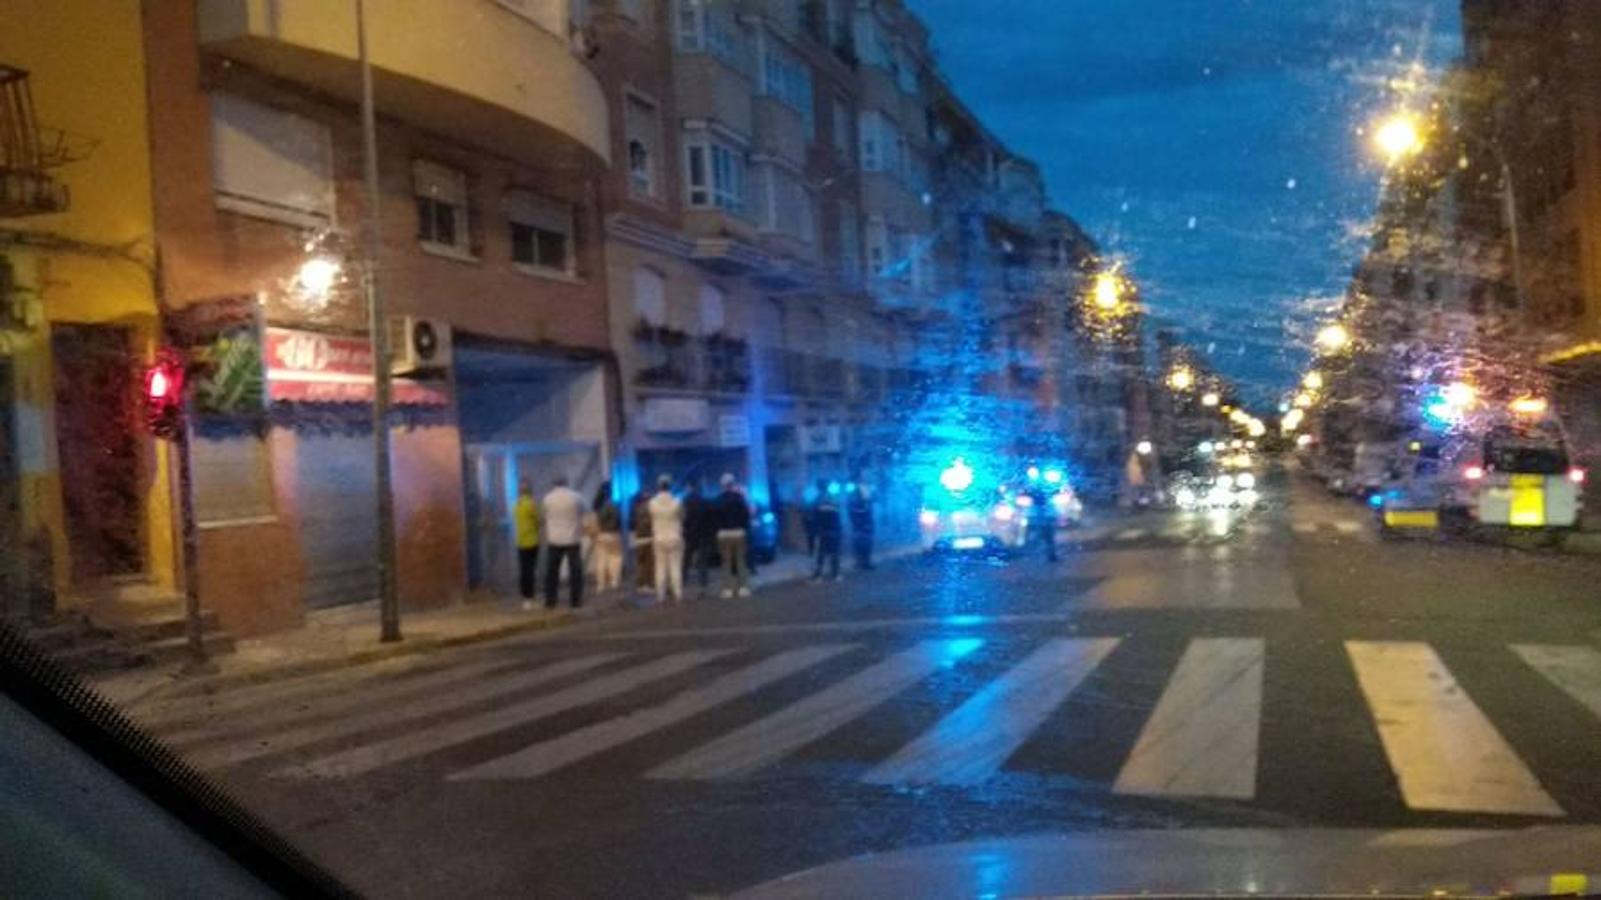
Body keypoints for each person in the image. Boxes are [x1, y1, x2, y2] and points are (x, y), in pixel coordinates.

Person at [541, 476, 586, 608]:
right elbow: (584, 511)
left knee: (552, 572)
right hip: (572, 538)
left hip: (554, 539)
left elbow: (543, 516)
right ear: (567, 483)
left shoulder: (547, 498)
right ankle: (575, 601)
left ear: (554, 484)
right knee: (575, 571)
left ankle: (550, 601)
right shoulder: (576, 497)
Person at [647, 475, 686, 604]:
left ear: (658, 486)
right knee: (675, 566)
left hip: (658, 537)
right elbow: (682, 517)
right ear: (670, 485)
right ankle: (678, 593)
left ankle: (660, 595)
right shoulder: (677, 502)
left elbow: (651, 517)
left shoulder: (652, 503)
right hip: (674, 536)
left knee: (660, 568)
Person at [713, 473, 752, 598]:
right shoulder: (740, 498)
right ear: (733, 483)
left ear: (722, 485)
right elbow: (746, 515)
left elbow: (714, 518)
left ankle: (728, 589)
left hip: (724, 534)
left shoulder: (718, 500)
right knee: (741, 561)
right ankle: (743, 588)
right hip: (739, 532)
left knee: (726, 562)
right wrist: (745, 528)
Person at [682, 479, 714, 597]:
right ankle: (703, 586)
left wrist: (685, 530)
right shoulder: (704, 500)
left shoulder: (685, 501)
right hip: (703, 535)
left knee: (685, 560)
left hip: (690, 535)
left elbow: (683, 518)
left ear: (689, 487)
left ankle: (682, 583)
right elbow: (710, 518)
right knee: (702, 562)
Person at [590, 481, 624, 592]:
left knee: (600, 560)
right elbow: (618, 520)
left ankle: (600, 584)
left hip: (600, 535)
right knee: (615, 558)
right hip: (613, 534)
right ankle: (614, 581)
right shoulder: (613, 504)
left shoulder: (597, 505)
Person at [513, 479, 540, 605]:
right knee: (530, 570)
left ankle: (525, 597)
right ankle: (530, 597)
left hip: (520, 541)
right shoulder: (531, 504)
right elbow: (538, 520)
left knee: (524, 570)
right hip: (532, 541)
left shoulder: (516, 504)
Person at [811, 479, 842, 582]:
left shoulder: (817, 500)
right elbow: (837, 515)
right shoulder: (834, 499)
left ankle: (818, 575)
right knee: (834, 552)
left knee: (821, 553)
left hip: (823, 530)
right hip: (833, 529)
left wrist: (815, 530)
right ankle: (836, 574)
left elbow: (814, 517)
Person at [630, 488, 654, 595]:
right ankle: (647, 585)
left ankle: (640, 585)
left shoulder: (636, 508)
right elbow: (648, 524)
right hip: (648, 538)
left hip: (639, 538)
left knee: (640, 563)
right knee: (648, 564)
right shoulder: (650, 508)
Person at [1027, 484, 1058, 562]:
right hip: (1045, 523)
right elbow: (1053, 515)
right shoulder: (1046, 505)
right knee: (1047, 540)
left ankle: (1048, 555)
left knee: (1044, 539)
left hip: (1042, 523)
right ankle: (1049, 555)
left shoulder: (1037, 507)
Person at [847, 482, 874, 571]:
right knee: (861, 544)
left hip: (862, 526)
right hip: (861, 526)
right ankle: (863, 562)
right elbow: (863, 513)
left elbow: (867, 513)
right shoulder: (858, 502)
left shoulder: (861, 502)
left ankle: (864, 562)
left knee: (864, 544)